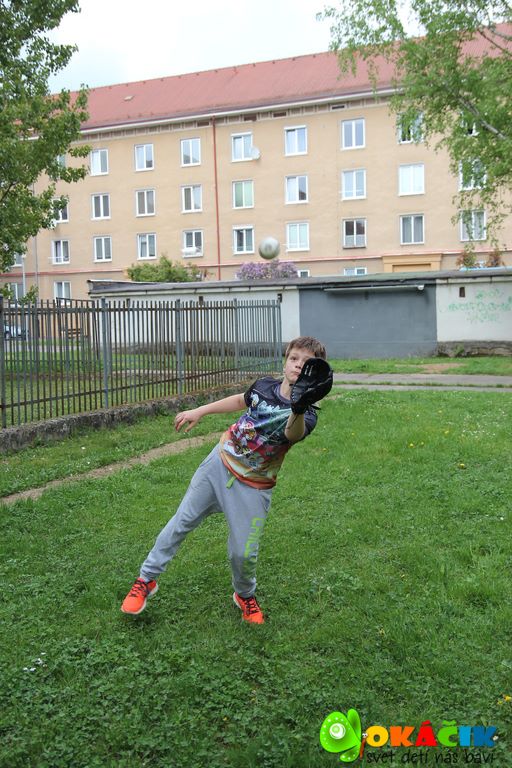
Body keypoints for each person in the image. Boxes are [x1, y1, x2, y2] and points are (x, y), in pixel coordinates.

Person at [121, 335, 331, 624]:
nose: (297, 365)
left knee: (243, 553)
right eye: (294, 358)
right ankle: (146, 580)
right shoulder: (264, 385)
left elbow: (291, 434)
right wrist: (200, 410)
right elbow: (240, 400)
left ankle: (244, 595)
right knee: (181, 522)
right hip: (218, 465)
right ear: (285, 361)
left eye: (306, 363)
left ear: (313, 373)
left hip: (254, 486)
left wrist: (297, 407)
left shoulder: (308, 413)